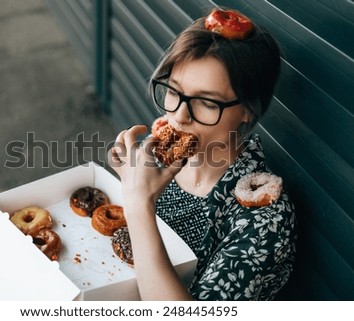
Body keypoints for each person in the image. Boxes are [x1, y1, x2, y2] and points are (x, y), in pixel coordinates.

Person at [108, 8, 297, 300]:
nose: (179, 117)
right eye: (173, 91)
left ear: (248, 110)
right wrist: (127, 182)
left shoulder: (263, 218)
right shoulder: (157, 158)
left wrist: (138, 202)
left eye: (207, 103)